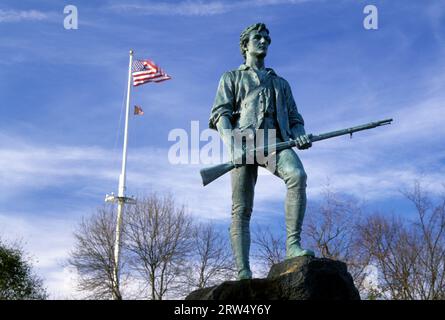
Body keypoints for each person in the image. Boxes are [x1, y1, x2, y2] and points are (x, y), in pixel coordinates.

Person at [209, 23, 314, 280]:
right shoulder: (231, 77)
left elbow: (294, 117)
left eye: (267, 38)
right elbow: (220, 114)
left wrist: (299, 132)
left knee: (297, 176)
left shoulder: (280, 82)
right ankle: (243, 269)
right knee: (242, 208)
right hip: (243, 141)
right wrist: (233, 145)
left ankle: (293, 245)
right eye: (257, 37)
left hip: (275, 140)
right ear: (245, 44)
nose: (263, 41)